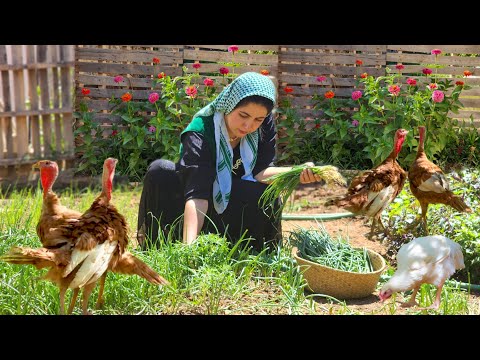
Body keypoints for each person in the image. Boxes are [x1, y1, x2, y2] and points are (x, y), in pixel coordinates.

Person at [137, 72, 322, 252]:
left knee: (267, 193)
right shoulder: (201, 131)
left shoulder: (263, 126)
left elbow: (260, 172)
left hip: (229, 194)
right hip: (192, 198)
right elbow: (197, 196)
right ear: (229, 104)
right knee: (160, 172)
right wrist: (189, 250)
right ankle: (168, 242)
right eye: (243, 115)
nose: (249, 126)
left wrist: (297, 172)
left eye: (258, 119)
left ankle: (248, 250)